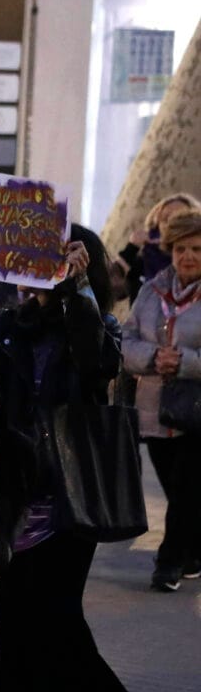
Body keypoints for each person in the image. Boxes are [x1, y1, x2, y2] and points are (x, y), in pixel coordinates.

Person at [0, 231, 138, 692]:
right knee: (22, 630)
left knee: (60, 620)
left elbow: (98, 362)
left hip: (69, 503)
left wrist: (76, 293)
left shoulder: (92, 326)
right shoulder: (6, 326)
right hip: (12, 503)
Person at [123, 208, 201, 592]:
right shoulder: (152, 291)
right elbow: (127, 340)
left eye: (198, 249)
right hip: (155, 408)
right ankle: (192, 550)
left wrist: (185, 361)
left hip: (197, 410)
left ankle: (167, 563)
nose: (189, 256)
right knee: (177, 488)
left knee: (187, 486)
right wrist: (155, 358)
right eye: (182, 248)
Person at [117, 192, 201, 303]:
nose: (171, 225)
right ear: (157, 224)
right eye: (165, 219)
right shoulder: (144, 262)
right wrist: (130, 249)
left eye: (179, 218)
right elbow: (110, 292)